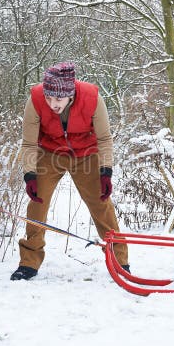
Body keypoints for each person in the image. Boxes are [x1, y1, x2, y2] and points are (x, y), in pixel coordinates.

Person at [10, 62, 129, 281]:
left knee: (102, 204)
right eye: (49, 98)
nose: (52, 104)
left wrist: (106, 171)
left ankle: (119, 260)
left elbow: (104, 138)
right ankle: (29, 262)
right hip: (50, 153)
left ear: (70, 94)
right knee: (38, 203)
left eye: (58, 100)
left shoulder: (93, 98)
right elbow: (28, 143)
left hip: (86, 154)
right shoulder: (35, 99)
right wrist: (30, 174)